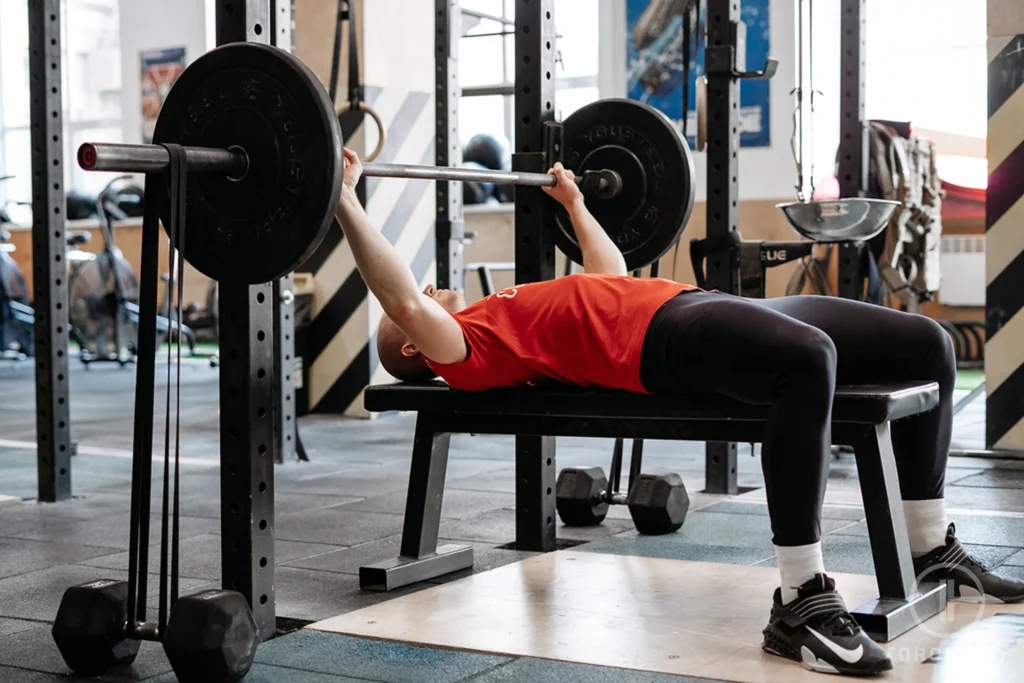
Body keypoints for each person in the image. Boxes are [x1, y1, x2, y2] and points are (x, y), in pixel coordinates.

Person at [335, 148, 1024, 677]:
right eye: (417, 309)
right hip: (659, 344)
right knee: (807, 359)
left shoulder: (506, 306)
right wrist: (343, 200)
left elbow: (606, 276)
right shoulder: (469, 350)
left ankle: (930, 549)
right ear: (415, 350)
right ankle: (801, 600)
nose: (426, 287)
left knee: (928, 343)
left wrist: (575, 204)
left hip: (690, 302)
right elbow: (402, 301)